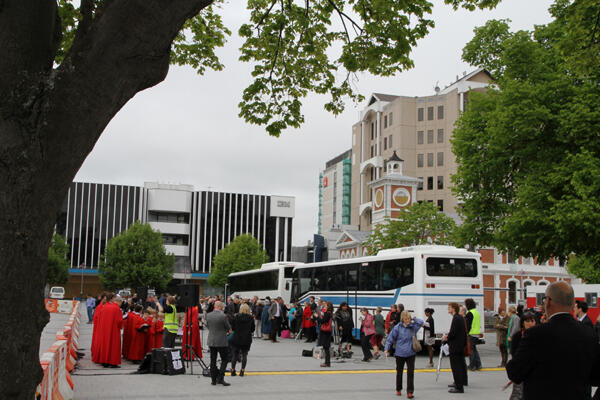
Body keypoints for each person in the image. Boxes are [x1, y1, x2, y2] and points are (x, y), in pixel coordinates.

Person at [506, 281, 599, 400]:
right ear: (572, 304)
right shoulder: (589, 333)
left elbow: (515, 372)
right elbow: (596, 377)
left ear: (548, 301)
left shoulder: (535, 334)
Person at [384, 310, 424, 398]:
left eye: (409, 319)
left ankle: (410, 391)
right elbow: (390, 338)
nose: (408, 321)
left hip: (411, 353)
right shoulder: (397, 327)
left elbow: (421, 323)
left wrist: (414, 318)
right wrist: (386, 348)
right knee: (399, 372)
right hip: (400, 353)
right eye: (406, 319)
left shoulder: (413, 327)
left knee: (410, 373)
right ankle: (398, 388)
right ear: (402, 319)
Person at [507, 311, 537, 400]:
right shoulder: (518, 336)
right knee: (518, 394)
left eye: (532, 321)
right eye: (527, 321)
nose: (530, 323)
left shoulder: (539, 335)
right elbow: (514, 353)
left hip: (535, 372)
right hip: (521, 370)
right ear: (523, 323)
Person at [206, 301, 232, 386]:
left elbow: (208, 326)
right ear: (221, 307)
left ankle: (213, 380)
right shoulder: (223, 316)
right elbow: (229, 328)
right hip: (221, 341)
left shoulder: (208, 315)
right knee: (225, 359)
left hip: (211, 340)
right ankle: (221, 378)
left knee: (213, 360)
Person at [444, 302, 468, 394]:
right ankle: (460, 382)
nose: (448, 309)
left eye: (449, 307)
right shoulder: (460, 318)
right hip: (460, 346)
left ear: (454, 308)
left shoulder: (456, 318)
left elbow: (453, 333)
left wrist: (446, 337)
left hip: (455, 347)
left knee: (456, 367)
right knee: (460, 365)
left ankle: (459, 386)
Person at [96, 294, 124, 368]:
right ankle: (113, 362)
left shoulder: (104, 307)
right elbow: (119, 321)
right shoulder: (116, 308)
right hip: (113, 330)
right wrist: (120, 327)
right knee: (113, 346)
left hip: (104, 329)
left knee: (105, 345)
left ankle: (104, 361)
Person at [230, 303, 255, 377]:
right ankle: (242, 371)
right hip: (246, 338)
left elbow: (233, 328)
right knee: (244, 354)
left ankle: (233, 370)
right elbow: (252, 329)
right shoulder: (251, 318)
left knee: (235, 355)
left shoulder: (236, 317)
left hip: (237, 337)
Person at [464, 298, 482, 371]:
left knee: (470, 350)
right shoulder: (476, 312)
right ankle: (478, 364)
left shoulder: (470, 313)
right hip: (477, 332)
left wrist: (466, 333)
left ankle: (472, 365)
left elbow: (468, 324)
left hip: (471, 333)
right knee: (474, 349)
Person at [315, 302, 334, 367]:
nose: (324, 306)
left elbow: (323, 321)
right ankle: (327, 362)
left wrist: (317, 317)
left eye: (325, 305)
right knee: (326, 347)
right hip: (327, 331)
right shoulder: (329, 313)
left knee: (326, 347)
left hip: (326, 331)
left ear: (328, 306)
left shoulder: (327, 313)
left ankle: (327, 363)